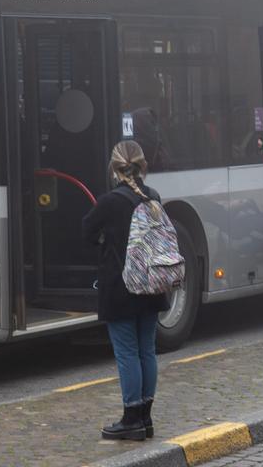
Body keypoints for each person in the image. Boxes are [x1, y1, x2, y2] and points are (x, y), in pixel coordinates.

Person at [82, 141, 170, 441]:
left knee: (127, 352)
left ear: (114, 168)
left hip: (121, 289)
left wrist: (107, 241)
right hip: (152, 286)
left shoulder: (110, 202)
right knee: (147, 350)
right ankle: (145, 417)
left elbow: (87, 231)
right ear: (142, 166)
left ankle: (131, 418)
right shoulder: (153, 197)